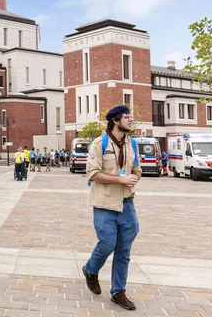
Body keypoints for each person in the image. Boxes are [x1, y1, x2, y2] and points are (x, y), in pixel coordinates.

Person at [82, 105, 141, 311]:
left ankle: (118, 292)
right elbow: (93, 174)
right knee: (107, 244)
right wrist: (121, 179)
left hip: (127, 204)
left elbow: (136, 168)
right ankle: (90, 270)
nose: (130, 120)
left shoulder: (132, 143)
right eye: (127, 117)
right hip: (105, 203)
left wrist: (134, 177)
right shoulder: (100, 144)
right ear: (115, 120)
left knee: (123, 251)